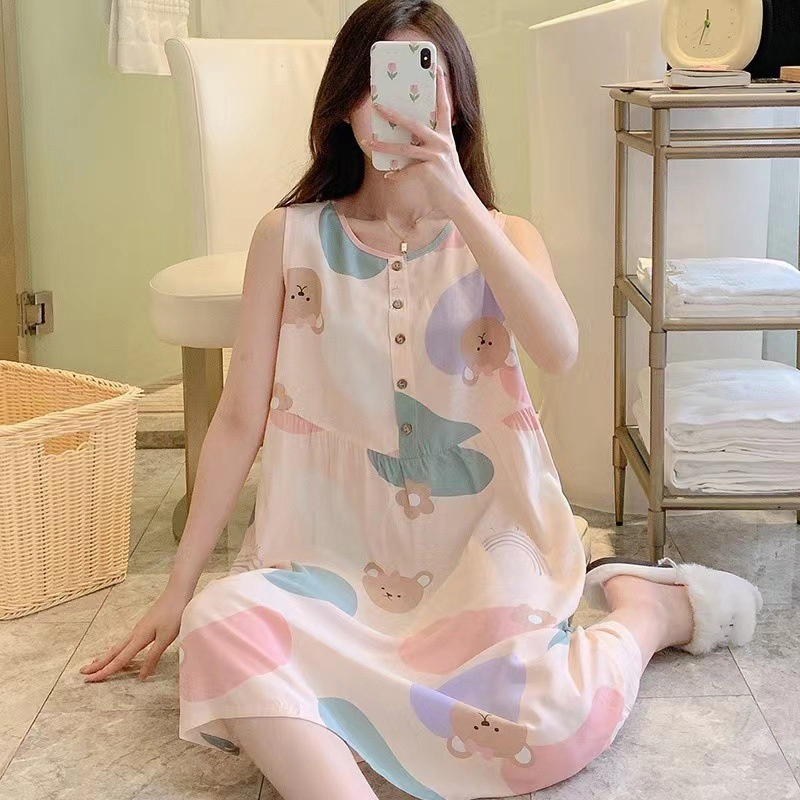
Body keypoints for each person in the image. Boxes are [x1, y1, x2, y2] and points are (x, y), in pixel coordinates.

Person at [80, 2, 763, 798]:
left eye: (421, 77)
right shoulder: (286, 236)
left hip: (477, 554)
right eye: (379, 81)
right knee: (217, 624)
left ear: (456, 99)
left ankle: (645, 616)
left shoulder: (503, 234)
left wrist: (458, 199)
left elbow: (560, 351)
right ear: (345, 104)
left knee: (544, 719)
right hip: (326, 557)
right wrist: (178, 588)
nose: (398, 102)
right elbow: (238, 420)